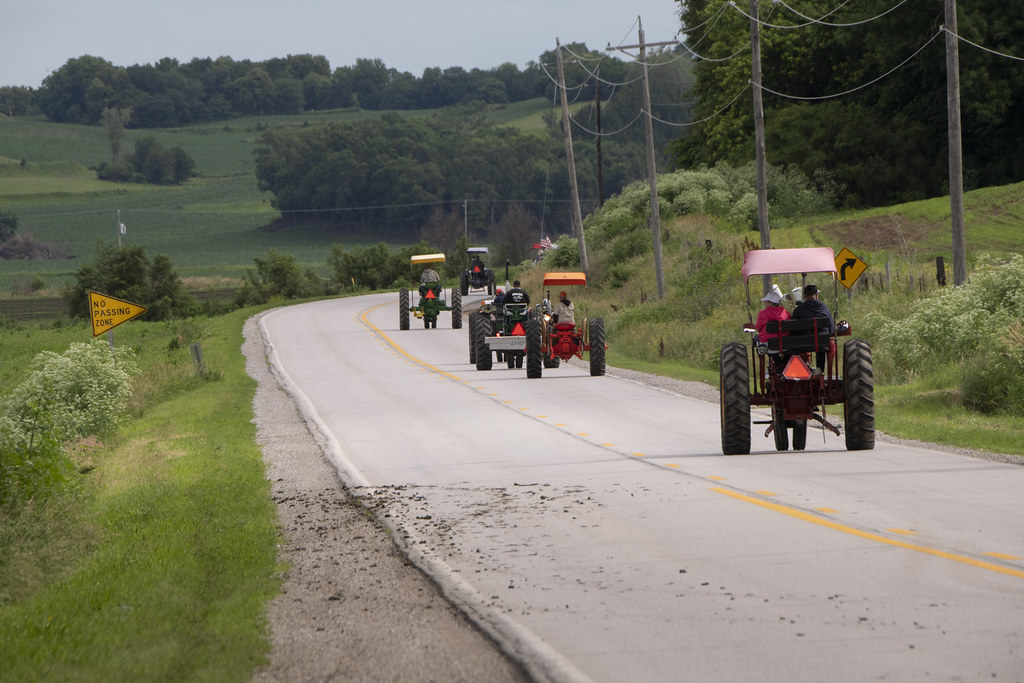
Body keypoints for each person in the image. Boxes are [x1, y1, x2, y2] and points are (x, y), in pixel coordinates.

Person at [791, 283, 835, 370]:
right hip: (821, 342)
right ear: (816, 295)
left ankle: (801, 368)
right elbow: (831, 328)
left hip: (802, 343)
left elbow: (793, 329)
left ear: (804, 296)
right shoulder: (823, 307)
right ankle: (820, 369)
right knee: (821, 342)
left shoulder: (799, 309)